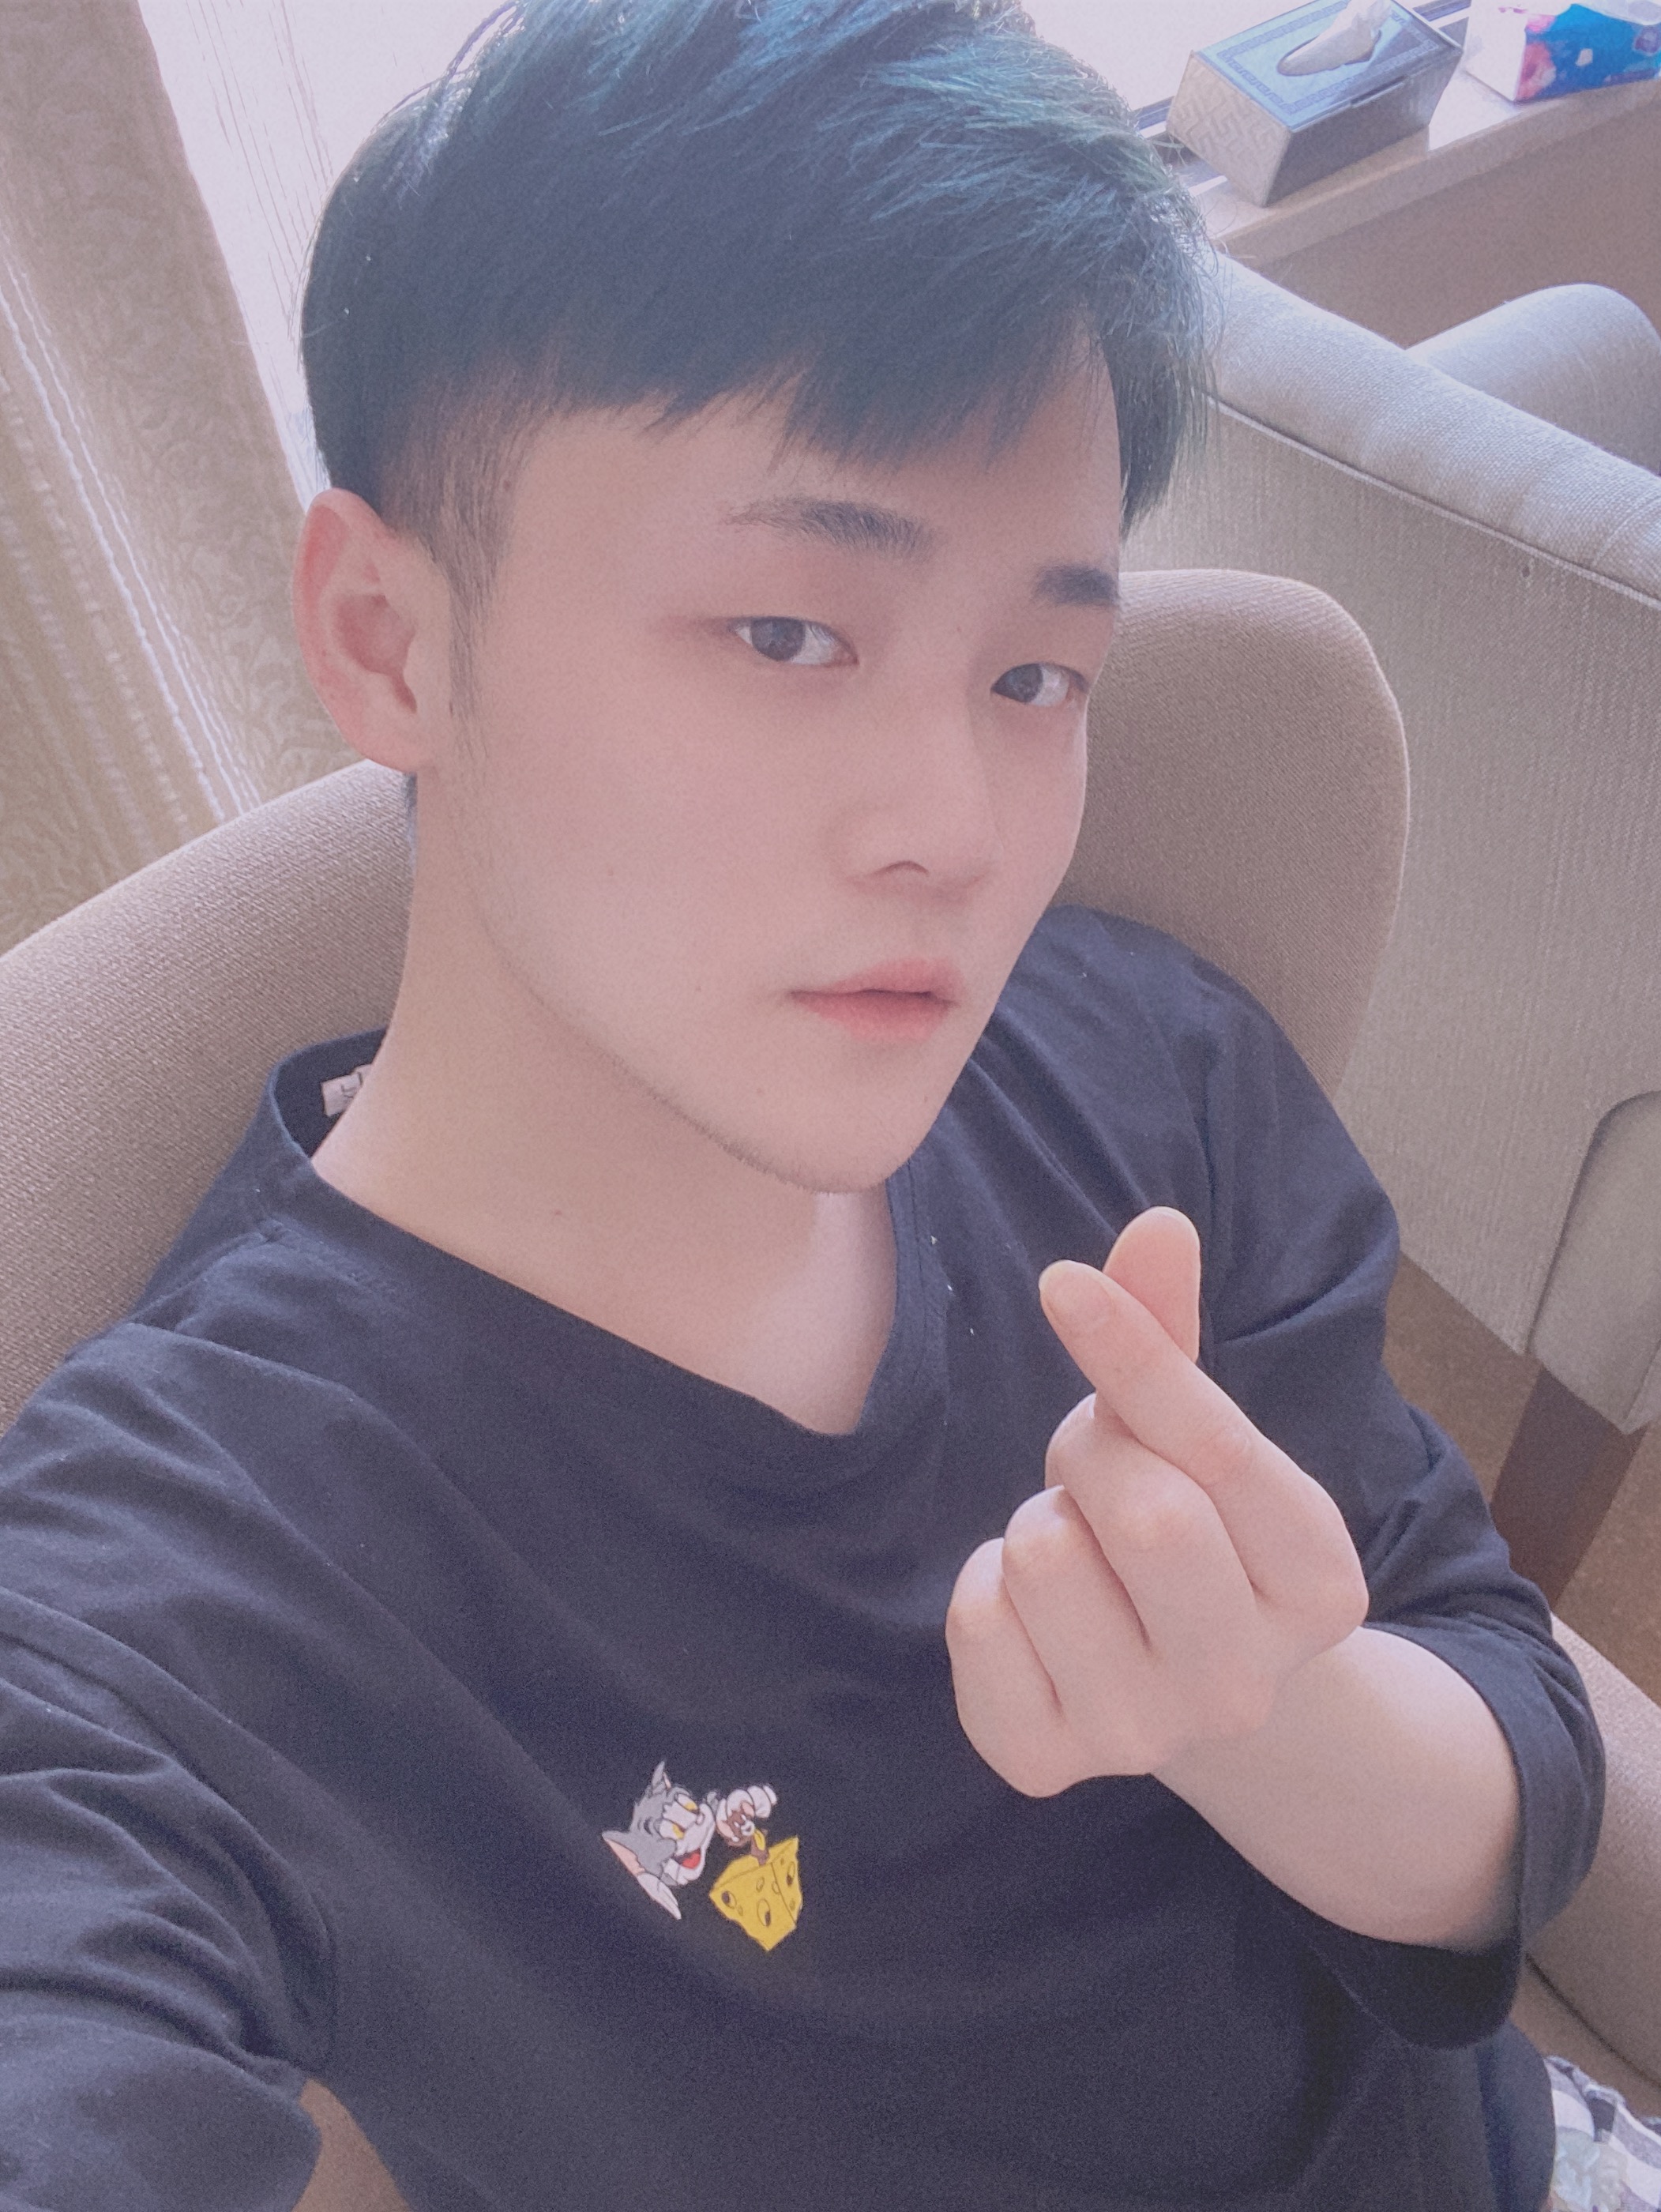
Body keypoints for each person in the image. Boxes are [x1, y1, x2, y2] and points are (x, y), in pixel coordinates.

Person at [0, 2, 1607, 2208]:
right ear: (385, 636)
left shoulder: (1139, 1069)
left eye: (1034, 673)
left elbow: (1508, 1728)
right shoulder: (174, 1598)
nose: (954, 824)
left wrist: (1271, 1718)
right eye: (787, 634)